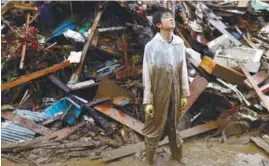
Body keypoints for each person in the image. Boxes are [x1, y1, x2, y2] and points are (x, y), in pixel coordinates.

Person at [142, 9, 190, 165]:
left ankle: (177, 156)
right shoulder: (151, 46)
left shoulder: (179, 43)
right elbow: (147, 74)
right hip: (158, 92)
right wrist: (148, 100)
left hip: (175, 92)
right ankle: (149, 160)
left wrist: (184, 94)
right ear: (158, 24)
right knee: (153, 126)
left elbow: (183, 69)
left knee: (173, 125)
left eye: (172, 17)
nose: (171, 19)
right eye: (166, 18)